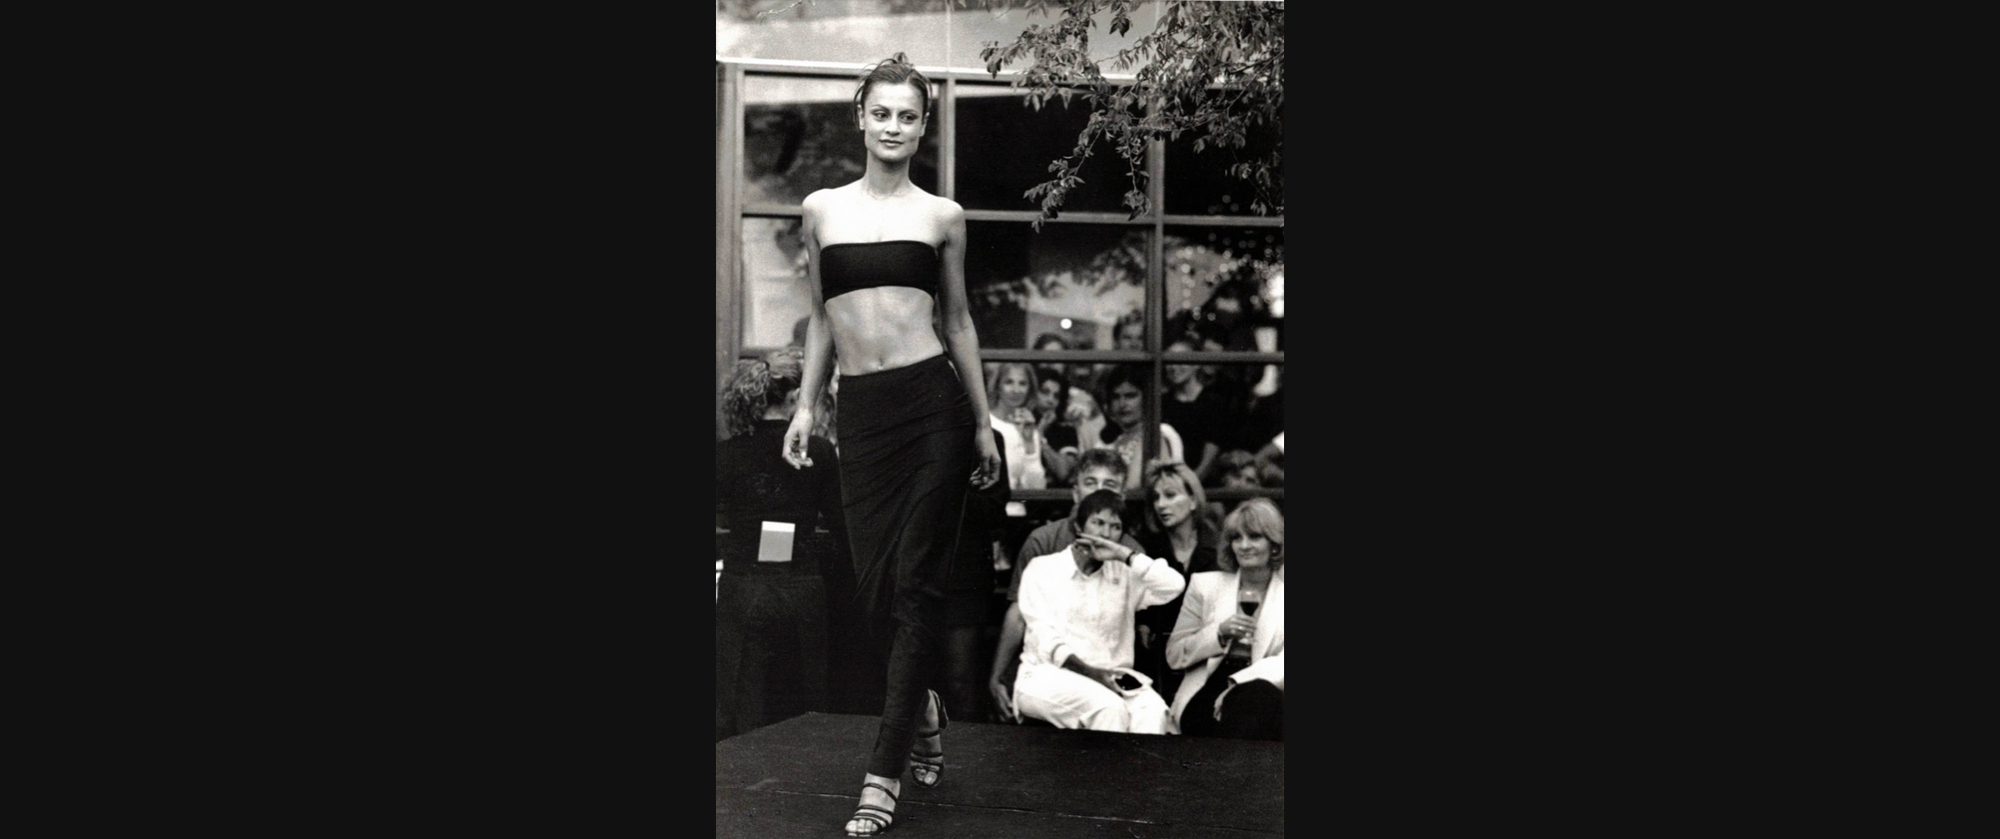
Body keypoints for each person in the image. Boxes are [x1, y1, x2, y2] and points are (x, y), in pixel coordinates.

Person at [781, 53, 1004, 838]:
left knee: (915, 590)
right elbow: (819, 318)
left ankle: (882, 774)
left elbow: (960, 321)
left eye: (909, 115)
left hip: (932, 407)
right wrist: (807, 405)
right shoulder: (820, 210)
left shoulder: (943, 215)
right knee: (874, 596)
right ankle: (927, 704)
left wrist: (981, 421)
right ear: (861, 117)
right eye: (883, 113)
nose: (894, 127)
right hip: (864, 415)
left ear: (923, 124)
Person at [716, 350, 851, 740]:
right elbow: (843, 527)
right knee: (807, 699)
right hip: (802, 586)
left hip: (743, 586)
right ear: (795, 399)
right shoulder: (819, 451)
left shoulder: (726, 454)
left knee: (741, 702)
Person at [986, 448, 1142, 723]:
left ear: (1122, 496)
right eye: (1090, 482)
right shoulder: (1044, 540)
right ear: (1075, 491)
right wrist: (998, 675)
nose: (1097, 492)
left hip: (1102, 667)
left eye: (1110, 485)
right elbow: (1019, 614)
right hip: (1047, 665)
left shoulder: (1129, 550)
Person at [1013, 490, 1186, 733]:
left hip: (1113, 678)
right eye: (1098, 523)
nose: (1105, 533)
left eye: (1115, 527)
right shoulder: (1043, 569)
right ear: (1077, 527)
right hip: (1047, 676)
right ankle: (1104, 773)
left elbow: (1174, 585)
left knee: (1153, 712)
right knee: (1108, 708)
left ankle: (1140, 773)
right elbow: (1045, 640)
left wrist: (1124, 554)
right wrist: (1095, 675)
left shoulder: (1124, 573)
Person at [1166, 499, 1285, 740]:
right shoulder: (1205, 585)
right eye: (1236, 538)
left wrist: (1237, 685)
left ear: (1274, 545)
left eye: (1254, 537)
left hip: (1259, 686)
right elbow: (1174, 656)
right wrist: (1218, 635)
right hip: (1207, 689)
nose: (1244, 545)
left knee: (1258, 699)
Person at [1132, 460, 1221, 703]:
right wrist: (1143, 624)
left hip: (1206, 653)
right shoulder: (1146, 548)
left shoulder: (1218, 546)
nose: (1161, 504)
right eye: (1156, 498)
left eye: (1170, 495)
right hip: (1155, 655)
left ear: (1193, 500)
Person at [1094, 364, 1184, 488]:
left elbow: (1137, 487)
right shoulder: (1112, 441)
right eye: (1115, 397)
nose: (1122, 404)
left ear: (1147, 398)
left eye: (1130, 396)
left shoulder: (1157, 435)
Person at [986, 362, 1050, 490]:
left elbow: (1037, 488)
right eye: (1009, 382)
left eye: (1022, 383)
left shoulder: (1030, 428)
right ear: (998, 385)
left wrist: (1029, 442)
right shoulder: (984, 423)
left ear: (1030, 389)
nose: (1016, 390)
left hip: (1017, 508)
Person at [1033, 369, 1082, 488]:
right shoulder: (1018, 423)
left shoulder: (1066, 430)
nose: (1050, 400)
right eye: (1045, 392)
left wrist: (1039, 436)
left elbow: (1063, 472)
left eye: (1056, 396)